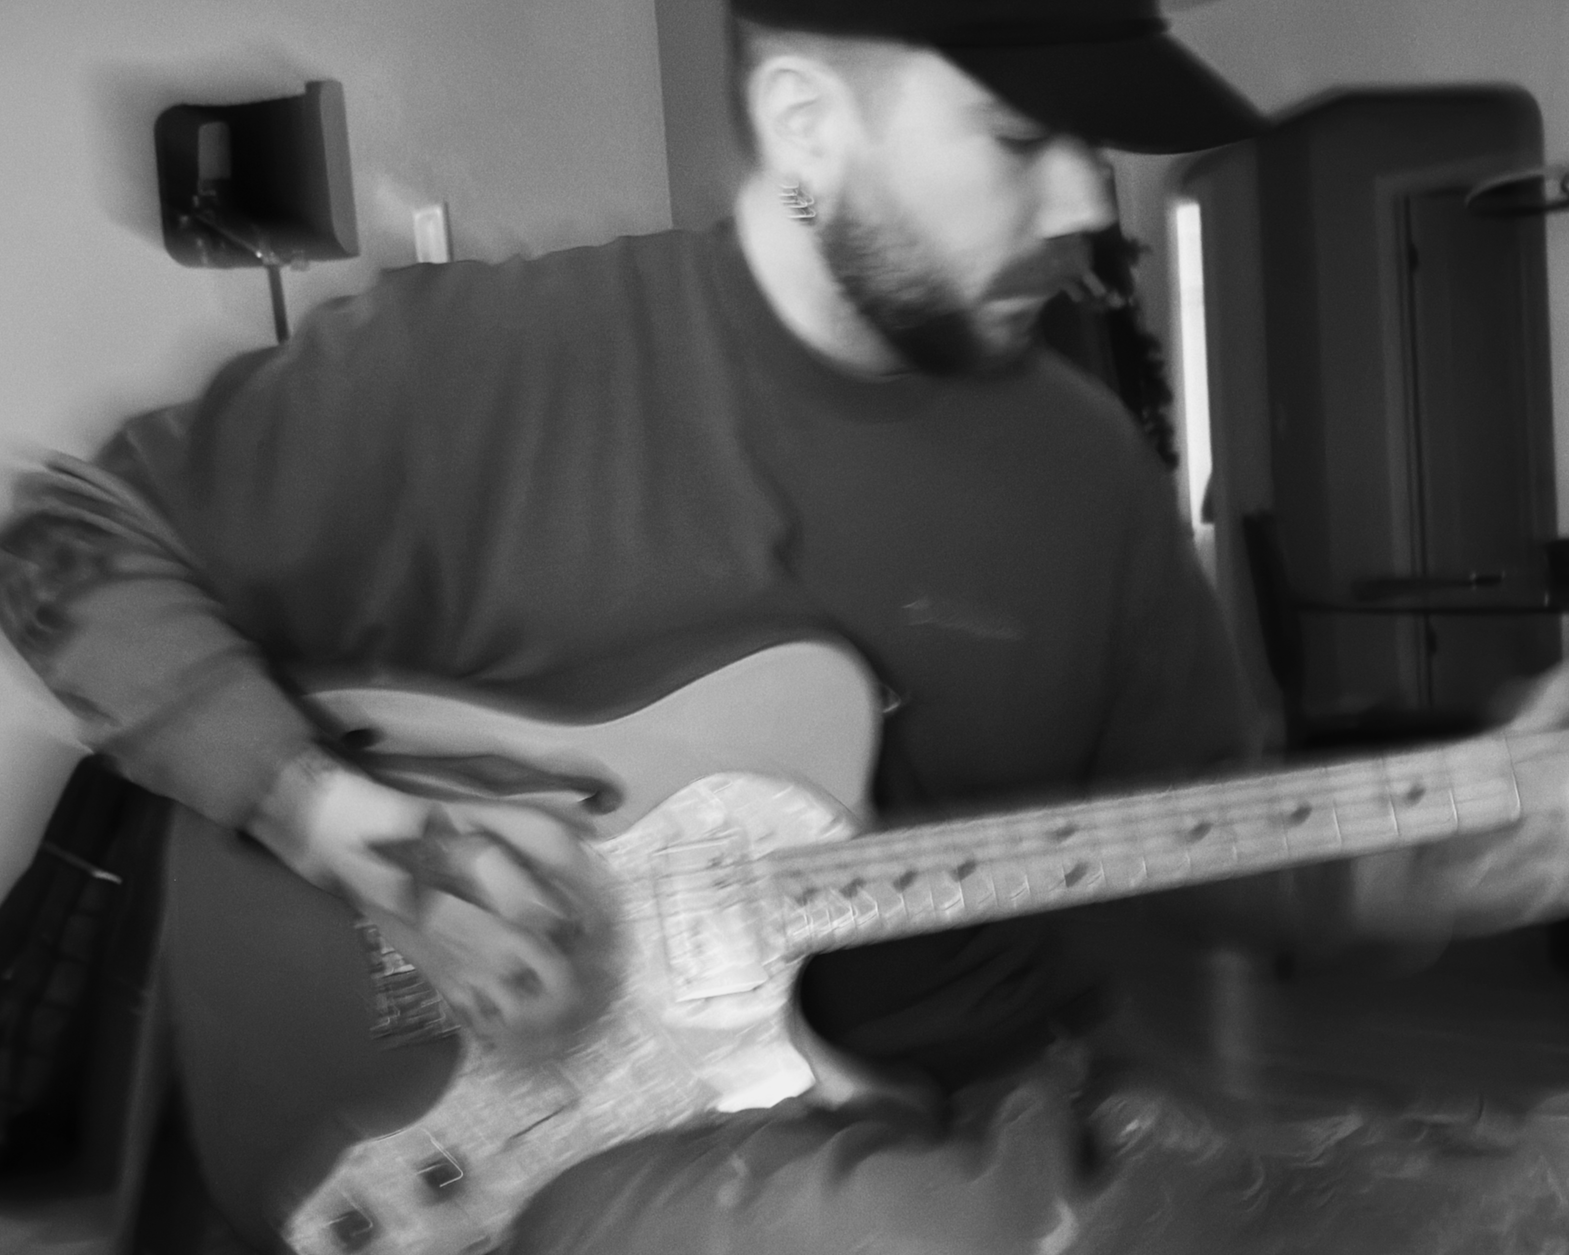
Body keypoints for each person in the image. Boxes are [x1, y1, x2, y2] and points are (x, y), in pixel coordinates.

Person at [5, 1, 1569, 1251]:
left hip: (998, 1116)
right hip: (596, 1140)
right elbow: (53, 542)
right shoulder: (477, 366)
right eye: (1019, 137)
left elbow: (1204, 837)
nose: (1089, 201)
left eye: (1092, 144)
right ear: (812, 123)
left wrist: (1425, 864)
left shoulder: (1084, 466)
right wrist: (338, 820)